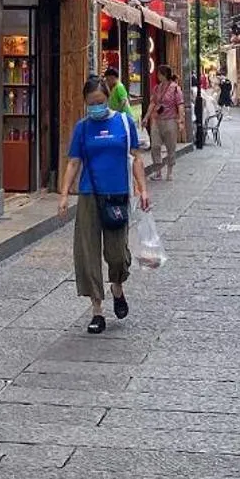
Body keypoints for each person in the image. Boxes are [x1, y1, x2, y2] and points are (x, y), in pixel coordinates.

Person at [58, 76, 149, 334]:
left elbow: (136, 158)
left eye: (99, 101)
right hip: (89, 195)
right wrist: (64, 194)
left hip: (117, 194)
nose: (95, 107)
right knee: (87, 252)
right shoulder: (82, 128)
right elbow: (73, 162)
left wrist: (143, 189)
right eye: (91, 103)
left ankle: (117, 287)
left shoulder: (124, 123)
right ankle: (96, 310)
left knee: (118, 253)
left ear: (108, 98)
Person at [144, 65, 183, 180]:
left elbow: (180, 105)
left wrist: (181, 121)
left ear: (164, 75)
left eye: (159, 73)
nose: (157, 76)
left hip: (170, 121)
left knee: (171, 147)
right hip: (157, 120)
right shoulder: (157, 88)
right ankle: (158, 171)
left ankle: (170, 171)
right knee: (155, 146)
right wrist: (146, 117)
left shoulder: (175, 88)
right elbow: (153, 103)